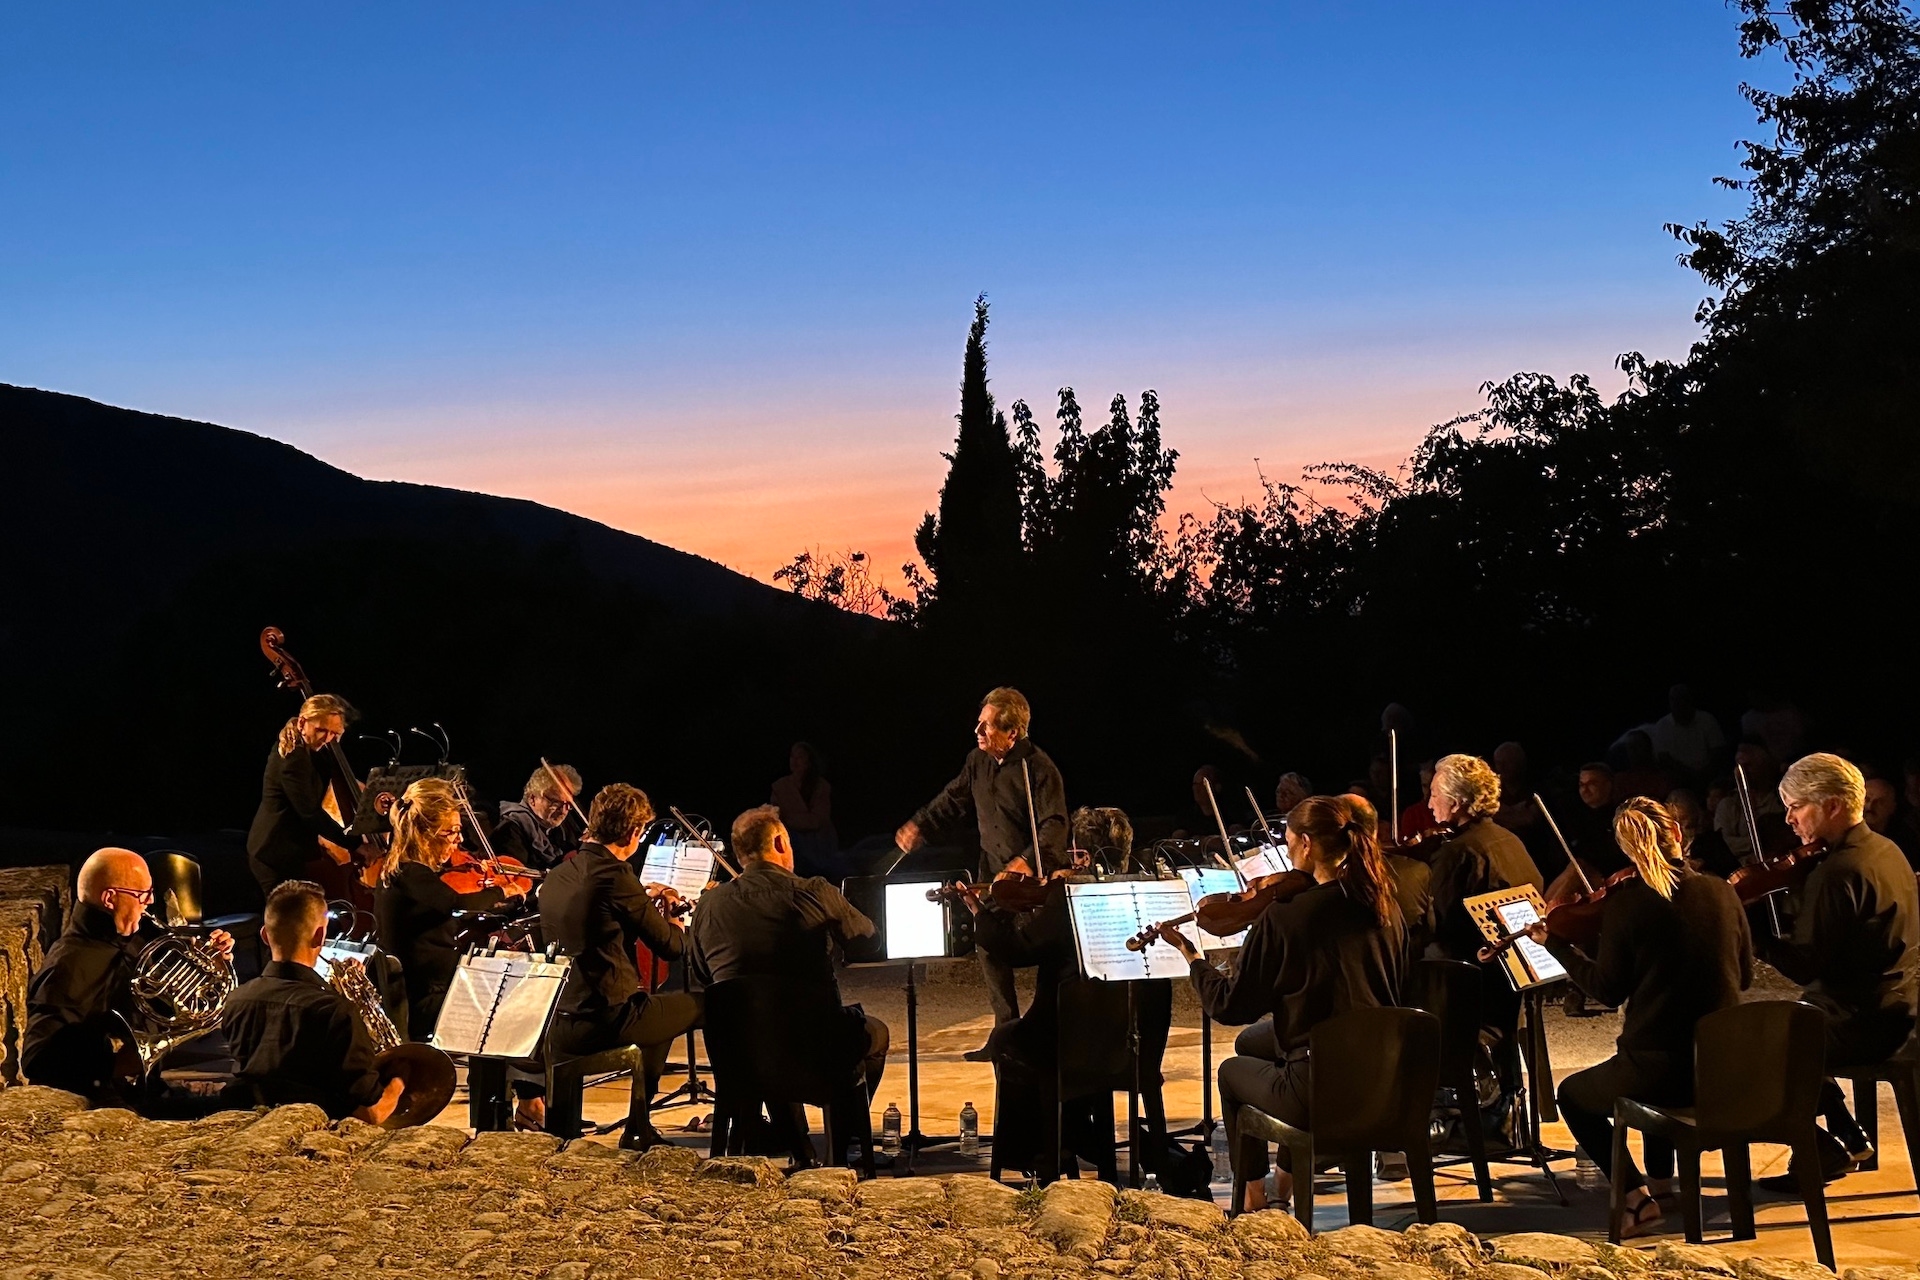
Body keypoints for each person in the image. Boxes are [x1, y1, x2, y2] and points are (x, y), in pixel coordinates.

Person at [1156, 794, 1402, 1211]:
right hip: (1384, 1074)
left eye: (1288, 843)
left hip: (1323, 1085)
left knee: (1232, 1073)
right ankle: (1284, 1187)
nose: (1286, 855)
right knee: (1254, 1043)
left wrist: (1192, 958)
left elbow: (1230, 1007)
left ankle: (1252, 1203)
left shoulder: (1288, 916)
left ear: (1306, 844)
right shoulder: (1384, 904)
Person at [1539, 798, 1752, 1238]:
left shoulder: (1628, 904)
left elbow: (1606, 990)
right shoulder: (1722, 891)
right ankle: (1663, 1186)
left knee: (1574, 1097)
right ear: (1676, 834)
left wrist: (1556, 946)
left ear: (1628, 850)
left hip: (1660, 1070)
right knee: (1655, 1059)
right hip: (1719, 1067)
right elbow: (1745, 975)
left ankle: (1637, 1202)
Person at [1755, 753, 1920, 1188]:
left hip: (1860, 1022)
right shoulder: (1887, 851)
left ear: (1831, 805)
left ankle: (1821, 1148)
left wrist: (1750, 934)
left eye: (1795, 806)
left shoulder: (1838, 872)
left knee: (1751, 1043)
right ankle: (1845, 1129)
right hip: (1897, 1006)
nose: (1788, 819)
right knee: (1792, 1022)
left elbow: (1803, 965)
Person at [689, 805, 890, 1153]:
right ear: (780, 842)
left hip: (738, 1060)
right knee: (874, 1033)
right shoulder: (812, 891)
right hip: (814, 1055)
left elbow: (701, 973)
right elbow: (869, 941)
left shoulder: (708, 905)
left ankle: (798, 1146)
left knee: (764, 1028)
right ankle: (840, 1143)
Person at [895, 687, 1067, 1042]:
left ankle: (1044, 1028)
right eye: (979, 724)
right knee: (988, 944)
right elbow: (952, 799)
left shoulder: (1039, 767)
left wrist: (1024, 861)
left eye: (986, 727)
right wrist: (920, 825)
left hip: (1033, 879)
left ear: (1012, 733)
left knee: (1049, 948)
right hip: (992, 873)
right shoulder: (977, 761)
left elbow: (1055, 824)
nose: (978, 733)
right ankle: (1006, 1031)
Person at [538, 783, 700, 1150]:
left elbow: (596, 912)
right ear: (632, 832)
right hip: (605, 1019)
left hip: (561, 1020)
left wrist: (642, 898)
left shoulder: (562, 872)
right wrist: (676, 919)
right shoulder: (616, 875)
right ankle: (737, 1122)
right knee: (704, 1005)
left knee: (657, 1015)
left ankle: (638, 1124)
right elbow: (671, 947)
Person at [24, 848, 234, 1102]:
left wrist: (212, 962)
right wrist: (116, 1064)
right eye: (142, 895)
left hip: (148, 1090)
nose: (150, 903)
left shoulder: (137, 936)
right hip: (104, 1102)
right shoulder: (67, 966)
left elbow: (166, 1003)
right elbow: (37, 1061)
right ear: (110, 899)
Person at [222, 880, 405, 1123]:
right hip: (315, 1134)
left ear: (265, 936)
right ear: (320, 935)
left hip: (253, 1126)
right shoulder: (335, 1011)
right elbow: (370, 1113)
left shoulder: (236, 1000)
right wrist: (400, 1083)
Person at [372, 779, 525, 1037]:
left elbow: (451, 914)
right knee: (507, 1007)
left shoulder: (406, 871)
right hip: (423, 1000)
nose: (460, 839)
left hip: (435, 988)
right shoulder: (410, 873)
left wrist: (505, 909)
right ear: (425, 834)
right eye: (451, 832)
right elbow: (457, 904)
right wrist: (502, 890)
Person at [1424, 753, 1547, 1050]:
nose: (1429, 804)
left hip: (1477, 986)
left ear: (1455, 803)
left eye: (1434, 795)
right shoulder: (1509, 840)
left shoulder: (1459, 853)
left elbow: (1438, 923)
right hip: (1512, 980)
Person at [245, 694, 358, 901]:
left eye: (335, 733)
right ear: (302, 722)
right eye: (321, 730)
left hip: (291, 850)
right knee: (285, 922)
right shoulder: (292, 758)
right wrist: (355, 844)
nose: (327, 739)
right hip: (274, 852)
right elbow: (310, 813)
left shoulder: (315, 750)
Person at [491, 763, 582, 872]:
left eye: (568, 804)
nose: (563, 811)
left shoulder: (562, 828)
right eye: (555, 802)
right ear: (532, 798)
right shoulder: (510, 830)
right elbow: (518, 881)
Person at [770, 741, 839, 878]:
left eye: (800, 757)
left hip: (820, 845)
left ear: (809, 761)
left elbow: (817, 820)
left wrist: (791, 820)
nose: (794, 761)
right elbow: (776, 817)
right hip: (791, 843)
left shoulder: (821, 786)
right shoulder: (780, 786)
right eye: (792, 756)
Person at [1646, 684, 1727, 784]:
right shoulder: (1662, 725)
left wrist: (1704, 774)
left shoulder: (1707, 720)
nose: (1679, 705)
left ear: (1690, 701)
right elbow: (1664, 758)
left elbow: (1718, 752)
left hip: (1709, 778)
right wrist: (1691, 775)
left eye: (1682, 700)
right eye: (1675, 701)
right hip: (1676, 780)